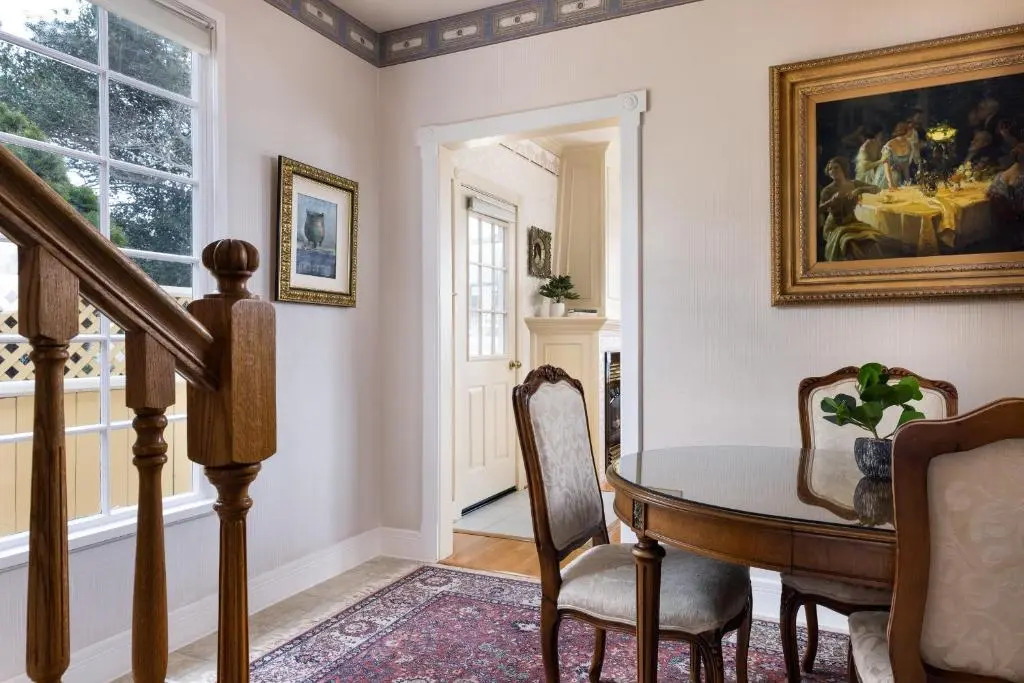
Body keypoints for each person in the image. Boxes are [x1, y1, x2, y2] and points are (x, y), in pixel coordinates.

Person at [819, 157, 884, 261]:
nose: (833, 171)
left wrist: (859, 190)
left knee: (872, 240)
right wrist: (831, 200)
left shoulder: (854, 184)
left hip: (853, 222)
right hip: (835, 226)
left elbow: (877, 189)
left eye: (836, 167)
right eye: (830, 169)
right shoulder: (827, 190)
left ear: (843, 168)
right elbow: (819, 210)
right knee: (851, 244)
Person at [988, 144, 1024, 250]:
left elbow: (989, 193)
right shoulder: (1021, 180)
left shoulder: (999, 177)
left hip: (1003, 227)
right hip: (1018, 227)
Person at [873, 122, 913, 189]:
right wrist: (890, 183)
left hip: (897, 177)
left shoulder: (909, 144)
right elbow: (886, 166)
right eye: (911, 130)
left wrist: (908, 181)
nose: (913, 132)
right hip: (885, 177)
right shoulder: (889, 145)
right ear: (906, 131)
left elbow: (905, 166)